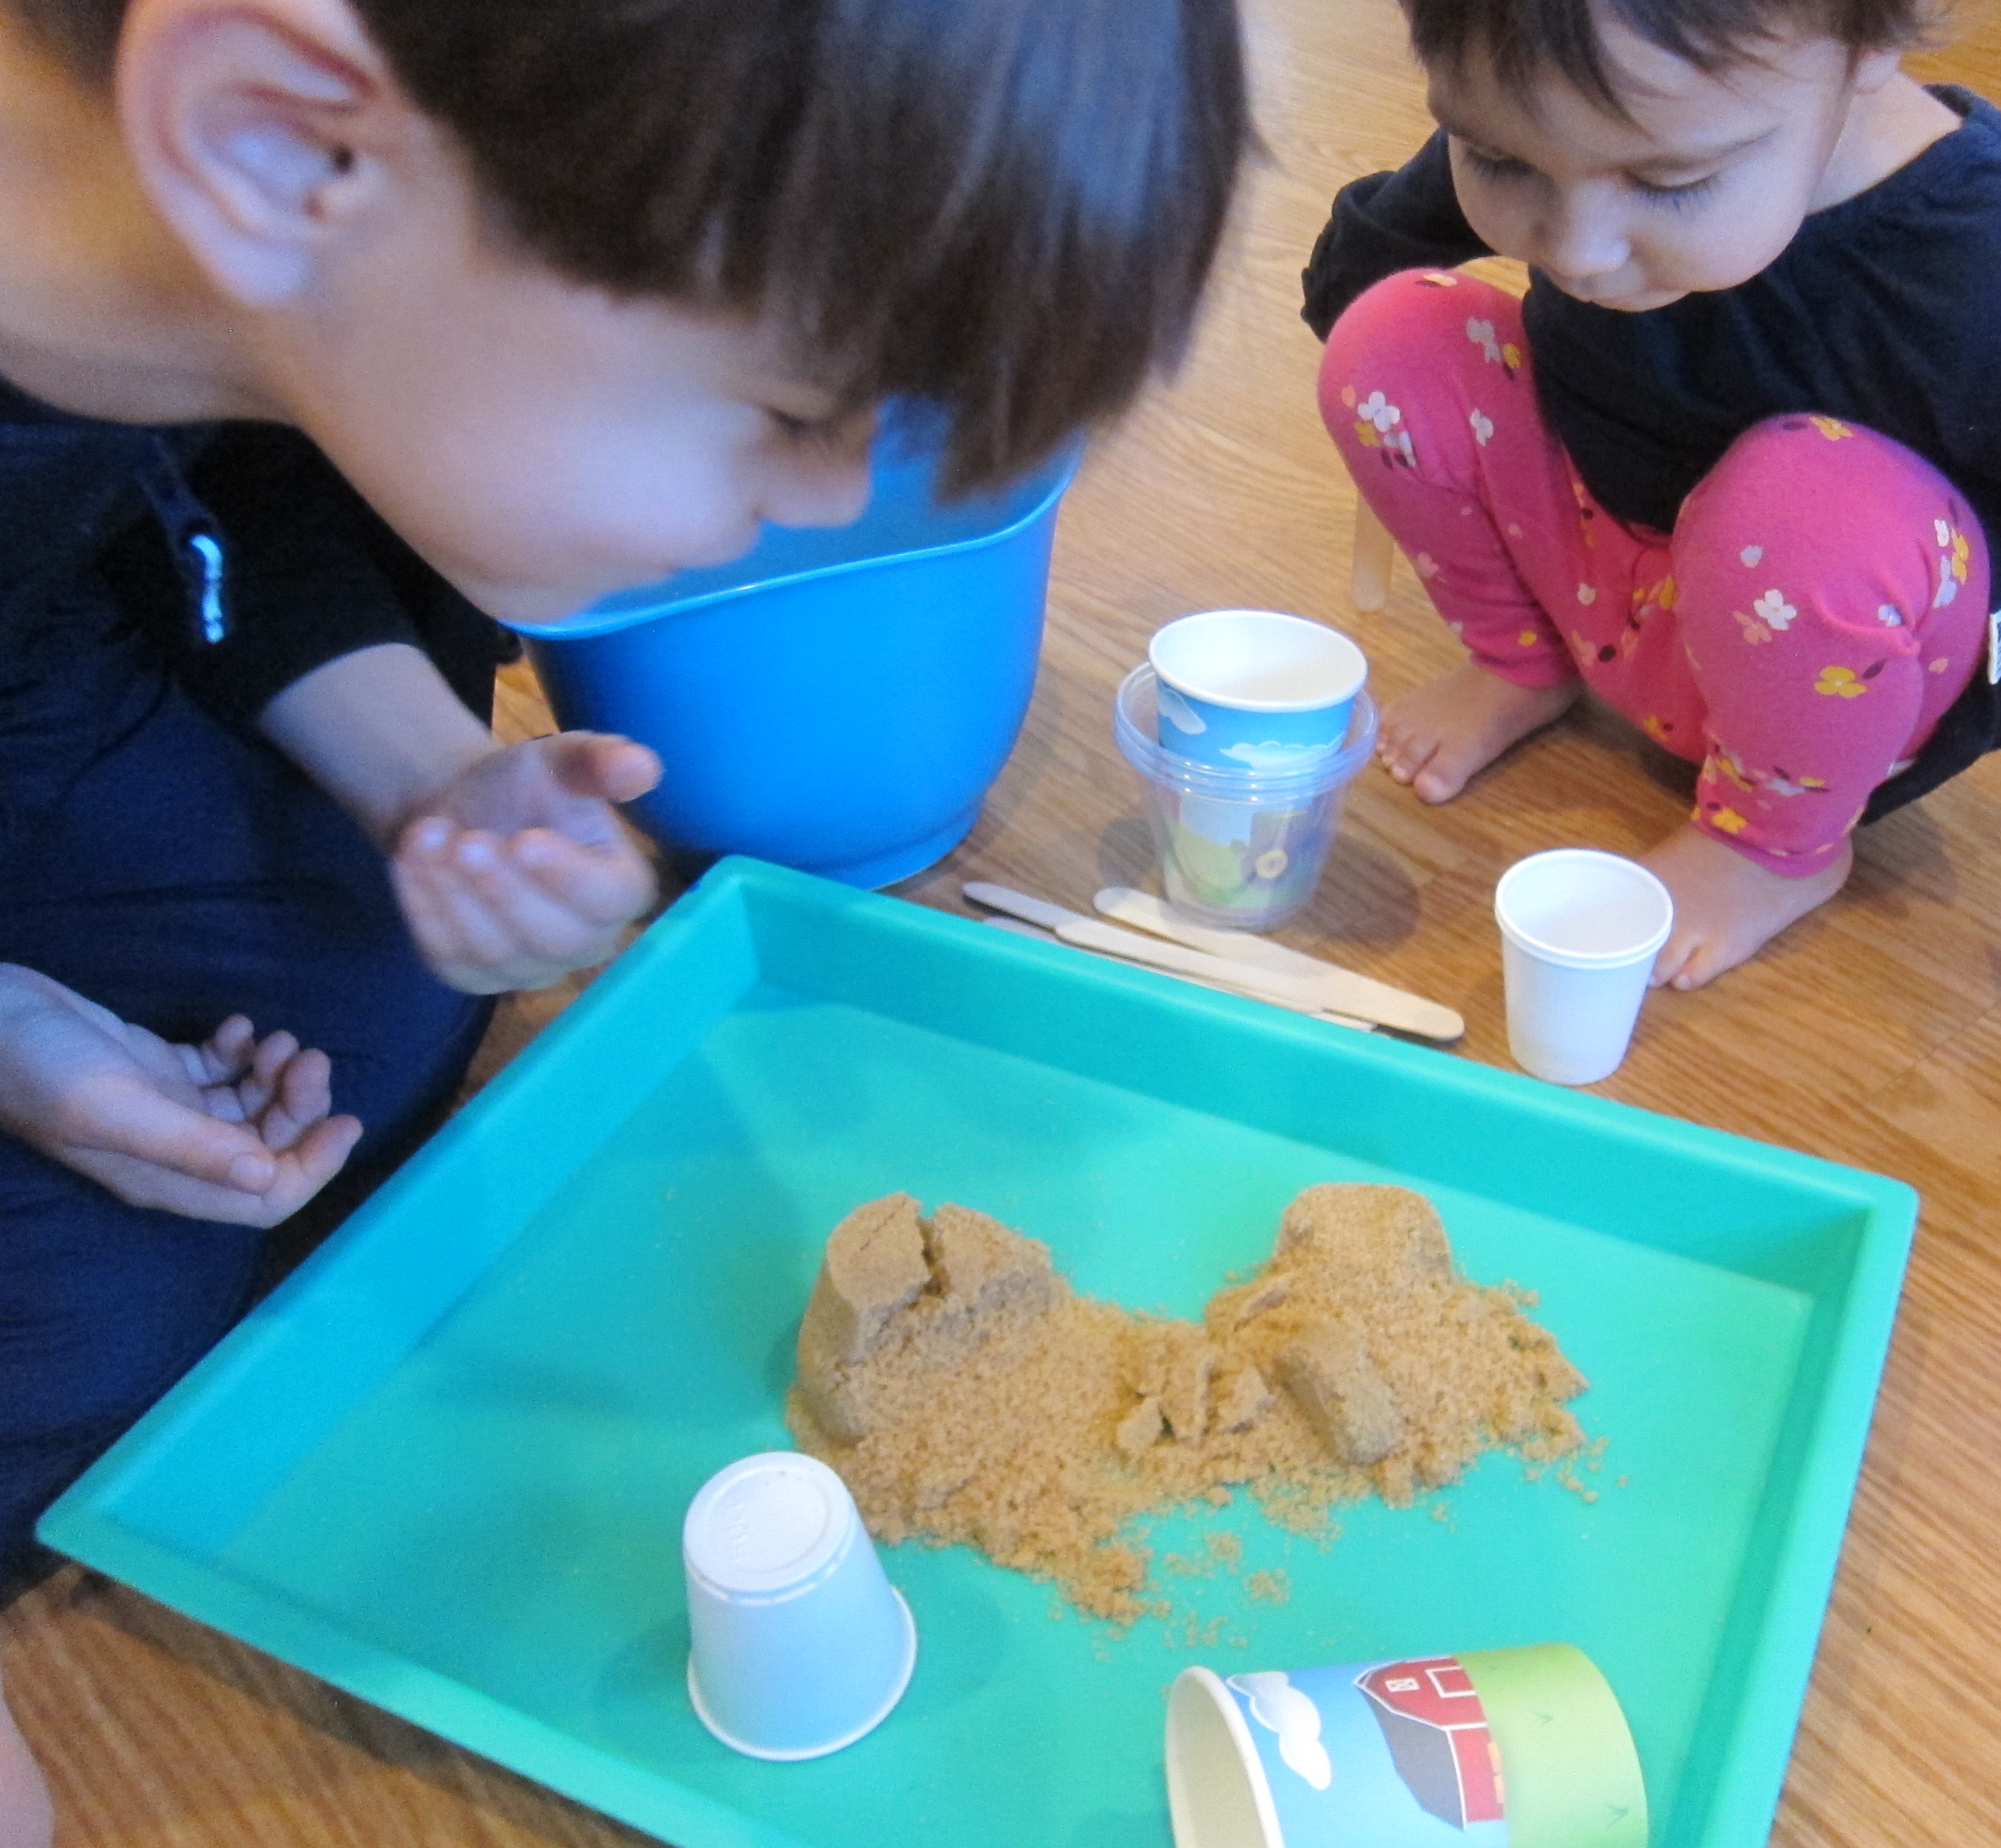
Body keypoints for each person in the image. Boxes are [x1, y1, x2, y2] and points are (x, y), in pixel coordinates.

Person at [0, 0, 1248, 1829]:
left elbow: (225, 496)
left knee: (370, 999)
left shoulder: (217, 284)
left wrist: (426, 779)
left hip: (64, 647)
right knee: (78, 1341)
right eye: (786, 414)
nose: (820, 508)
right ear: (274, 141)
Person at [1303, 0, 2001, 995]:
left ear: (1867, 45)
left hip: (1833, 668)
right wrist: (1354, 291)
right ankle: (1523, 661)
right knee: (1389, 339)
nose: (1577, 248)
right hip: (1617, 575)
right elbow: (1419, 211)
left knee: (1802, 509)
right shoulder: (1590, 99)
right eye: (1502, 160)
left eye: (1668, 179)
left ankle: (1773, 846)